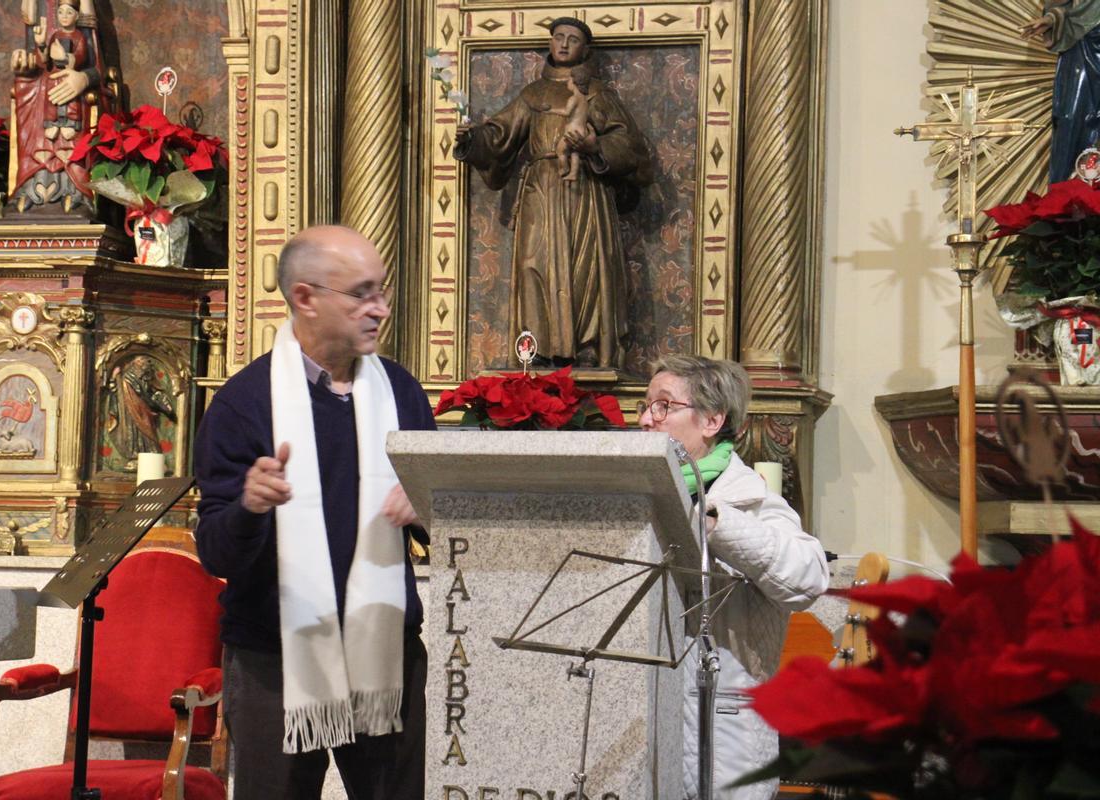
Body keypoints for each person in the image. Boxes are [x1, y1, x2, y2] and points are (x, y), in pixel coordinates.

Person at [194, 225, 433, 799]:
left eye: (383, 292)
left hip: (385, 653)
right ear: (305, 298)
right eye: (361, 293)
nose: (379, 309)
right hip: (275, 655)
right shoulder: (244, 405)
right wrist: (251, 507)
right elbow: (216, 553)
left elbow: (448, 526)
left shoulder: (401, 394)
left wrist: (430, 505)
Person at [637, 354, 829, 800]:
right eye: (646, 406)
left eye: (664, 406)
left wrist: (719, 524)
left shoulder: (747, 499)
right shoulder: (641, 494)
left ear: (711, 420)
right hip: (646, 727)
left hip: (723, 740)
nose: (647, 419)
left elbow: (809, 579)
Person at [454, 18, 651, 369]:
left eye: (572, 39)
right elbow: (500, 134)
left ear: (585, 49)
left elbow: (630, 146)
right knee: (535, 262)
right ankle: (536, 349)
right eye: (558, 37)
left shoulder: (599, 94)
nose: (563, 44)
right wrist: (473, 139)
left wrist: (594, 145)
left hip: (585, 191)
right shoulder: (533, 94)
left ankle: (588, 347)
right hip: (541, 188)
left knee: (586, 267)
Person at [10, 0, 108, 213]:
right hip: (46, 83)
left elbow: (96, 67)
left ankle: (75, 190)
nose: (63, 16)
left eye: (68, 12)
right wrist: (30, 60)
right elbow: (40, 61)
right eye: (60, 12)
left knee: (70, 100)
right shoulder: (46, 21)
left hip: (76, 86)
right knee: (29, 92)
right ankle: (33, 188)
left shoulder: (81, 32)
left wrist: (83, 77)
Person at [1021, 1, 1100, 182]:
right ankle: (1066, 195)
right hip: (1080, 48)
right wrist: (1051, 19)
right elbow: (1071, 8)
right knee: (1069, 117)